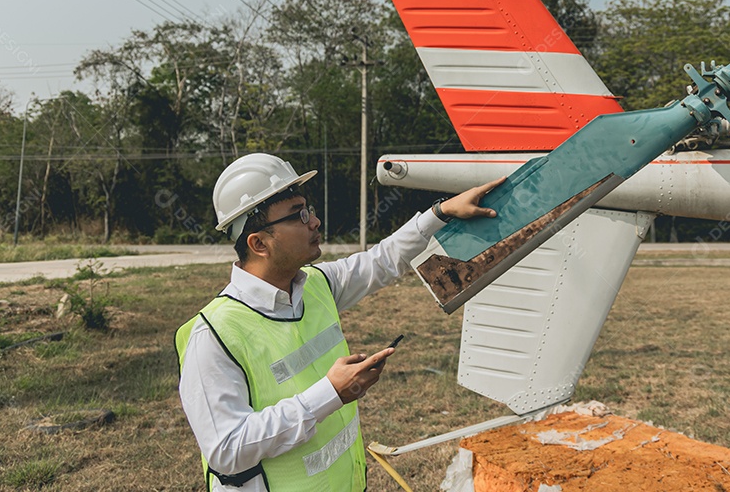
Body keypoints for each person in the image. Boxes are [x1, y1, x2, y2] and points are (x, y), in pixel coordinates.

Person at [176, 152, 503, 491]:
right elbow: (227, 450)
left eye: (309, 210)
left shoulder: (315, 285)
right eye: (297, 216)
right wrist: (330, 393)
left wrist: (441, 212)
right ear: (259, 243)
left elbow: (382, 261)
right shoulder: (213, 335)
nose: (313, 222)